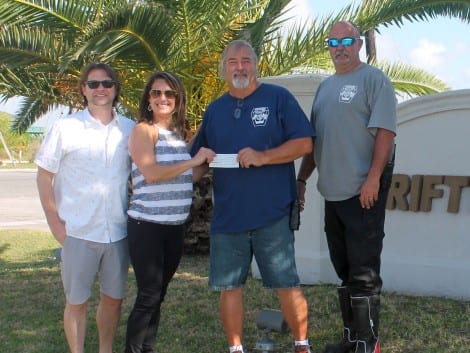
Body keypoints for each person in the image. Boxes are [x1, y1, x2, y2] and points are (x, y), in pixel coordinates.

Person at [190, 39, 314, 353]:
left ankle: (302, 344)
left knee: (286, 283)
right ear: (223, 69)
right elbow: (198, 164)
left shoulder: (278, 98)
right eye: (233, 61)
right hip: (228, 217)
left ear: (256, 65)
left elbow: (304, 144)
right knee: (229, 287)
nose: (240, 67)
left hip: (272, 214)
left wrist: (263, 156)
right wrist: (168, 177)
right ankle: (236, 348)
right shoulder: (215, 110)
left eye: (246, 60)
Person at [297, 21, 397, 353]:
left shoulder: (375, 80)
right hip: (333, 193)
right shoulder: (325, 88)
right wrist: (301, 180)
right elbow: (315, 141)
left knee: (364, 270)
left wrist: (372, 179)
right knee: (345, 269)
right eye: (333, 41)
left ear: (358, 44)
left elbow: (384, 132)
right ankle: (352, 338)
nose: (339, 47)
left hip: (363, 193)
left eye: (346, 40)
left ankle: (368, 344)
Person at [35, 62, 136, 353]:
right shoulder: (65, 128)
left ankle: (105, 349)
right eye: (93, 84)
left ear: (116, 89)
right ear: (83, 90)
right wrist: (55, 222)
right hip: (77, 231)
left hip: (117, 232)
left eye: (107, 83)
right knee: (76, 302)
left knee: (114, 299)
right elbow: (44, 175)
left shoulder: (129, 130)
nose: (100, 89)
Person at [124, 72, 215, 353]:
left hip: (174, 226)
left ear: (178, 100)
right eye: (156, 93)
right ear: (148, 99)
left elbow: (189, 176)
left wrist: (212, 160)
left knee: (158, 295)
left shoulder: (177, 136)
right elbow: (151, 173)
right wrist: (195, 160)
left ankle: (146, 348)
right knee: (148, 295)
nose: (163, 98)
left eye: (170, 94)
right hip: (147, 225)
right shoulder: (144, 130)